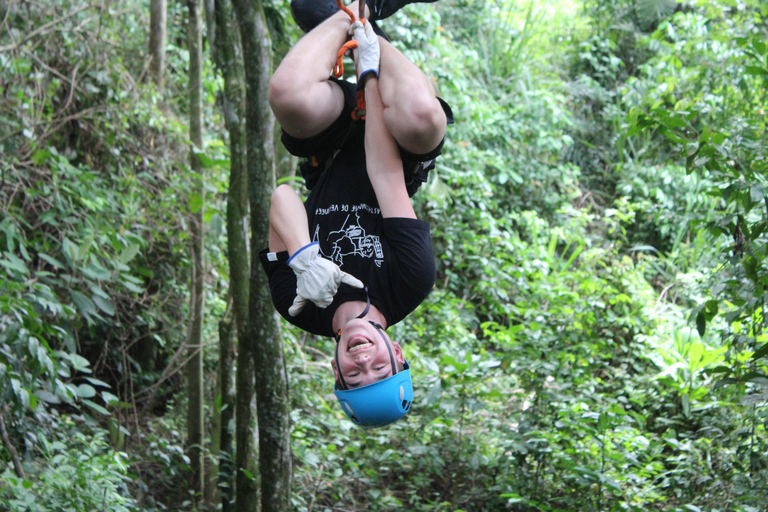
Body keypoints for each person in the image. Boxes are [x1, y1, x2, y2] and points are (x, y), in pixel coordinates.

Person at [259, 0, 452, 427]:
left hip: (327, 147)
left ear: (336, 371)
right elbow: (385, 174)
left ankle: (352, 10)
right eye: (380, 370)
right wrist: (369, 76)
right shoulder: (408, 282)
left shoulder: (298, 305)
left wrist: (304, 256)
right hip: (397, 144)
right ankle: (362, 18)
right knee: (424, 116)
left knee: (286, 94)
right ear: (396, 353)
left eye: (355, 376)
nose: (364, 362)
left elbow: (282, 197)